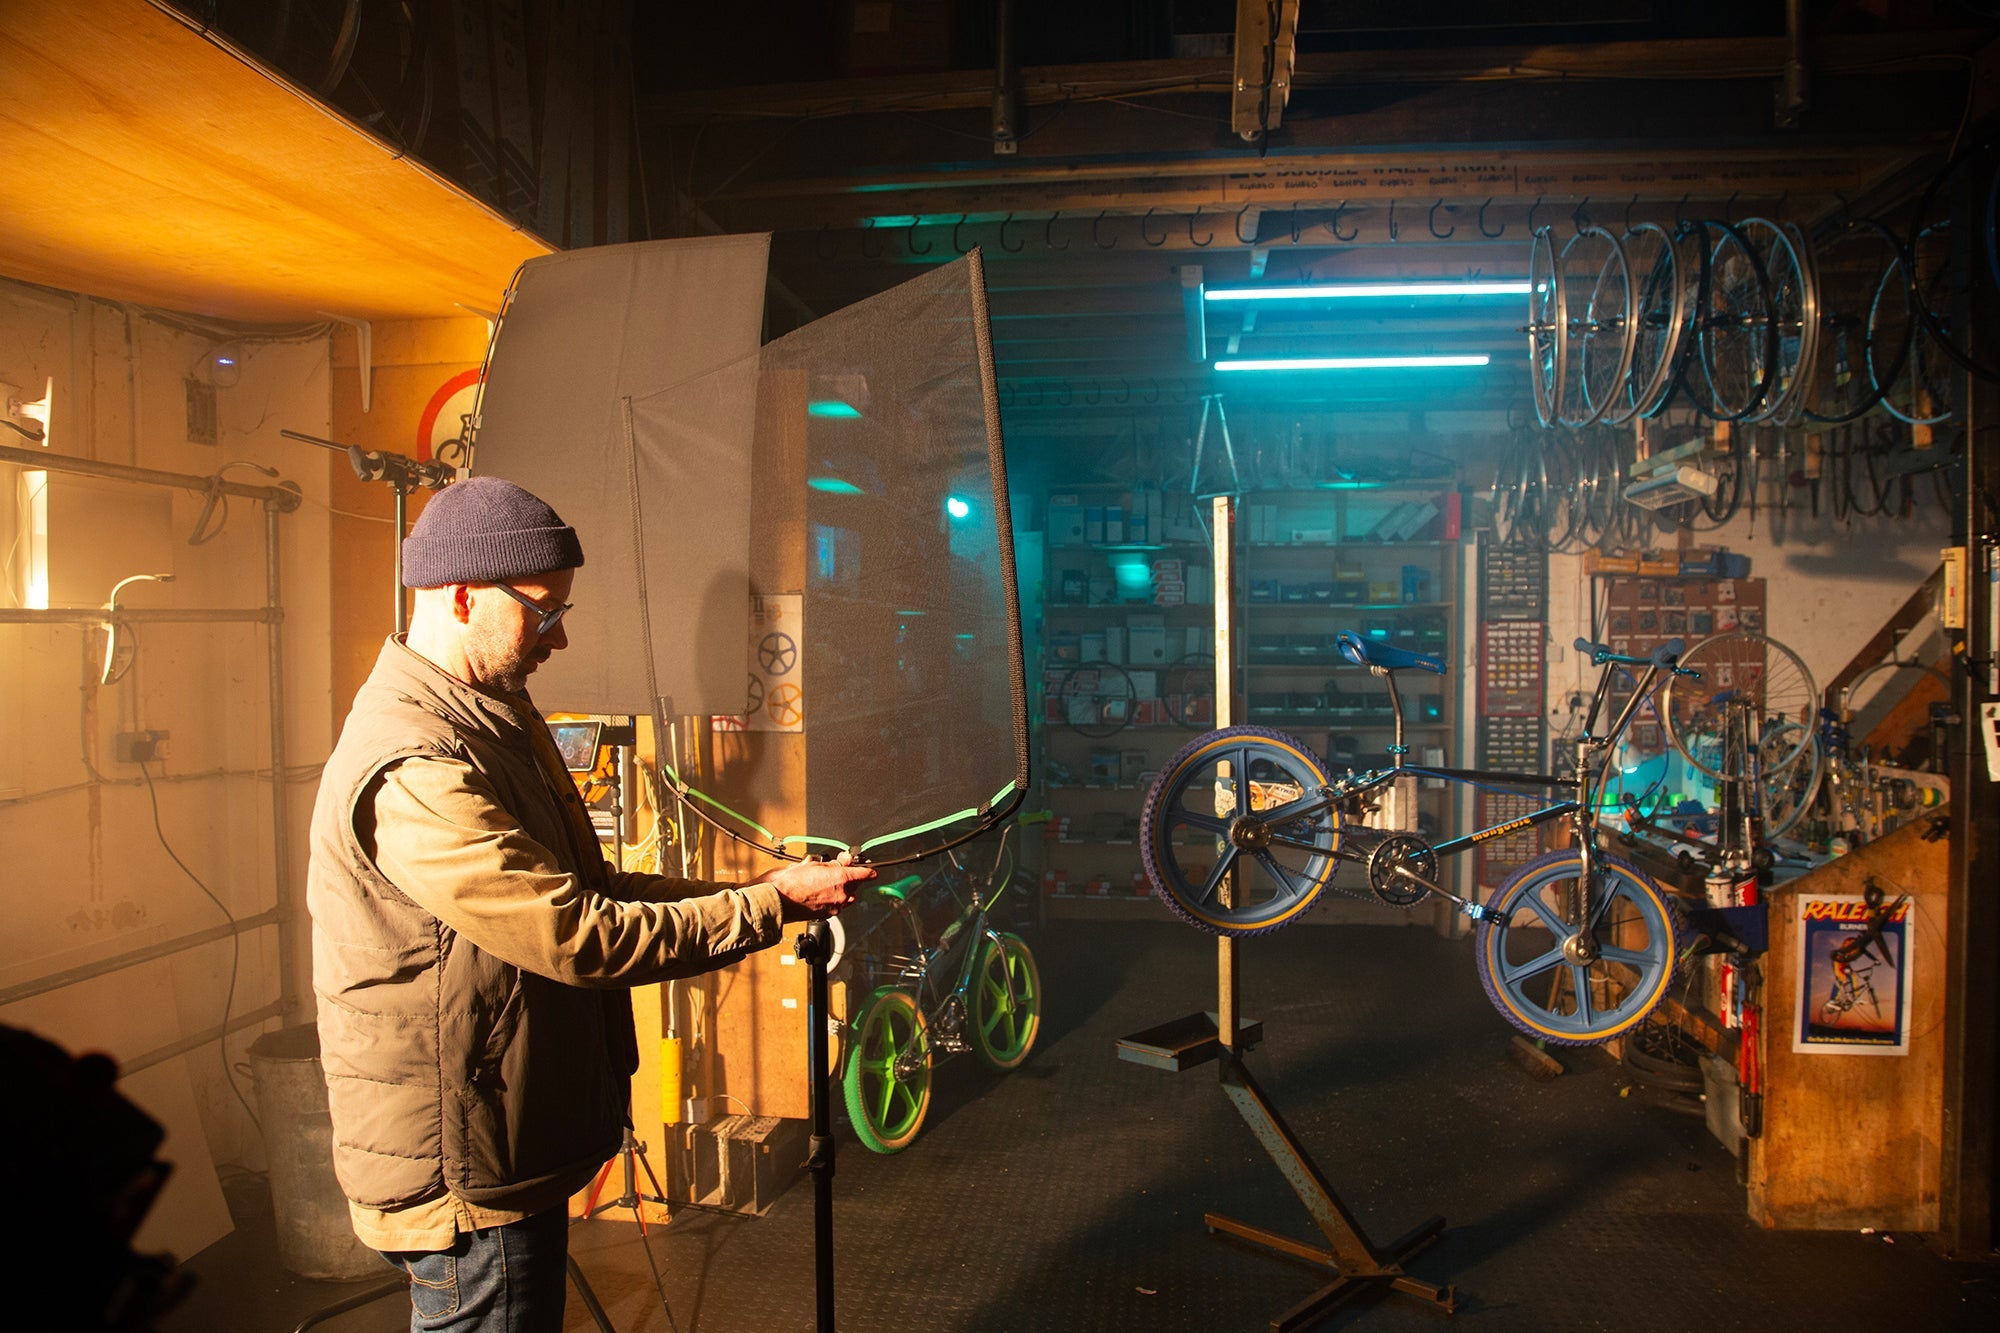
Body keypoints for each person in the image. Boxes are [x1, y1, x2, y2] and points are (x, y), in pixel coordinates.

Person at [307, 476, 871, 1332]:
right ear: (461, 595)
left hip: (504, 1140)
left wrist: (769, 895)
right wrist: (761, 907)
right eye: (543, 612)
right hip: (465, 1172)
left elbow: (592, 888)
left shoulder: (492, 716)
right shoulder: (416, 760)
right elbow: (578, 934)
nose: (560, 636)